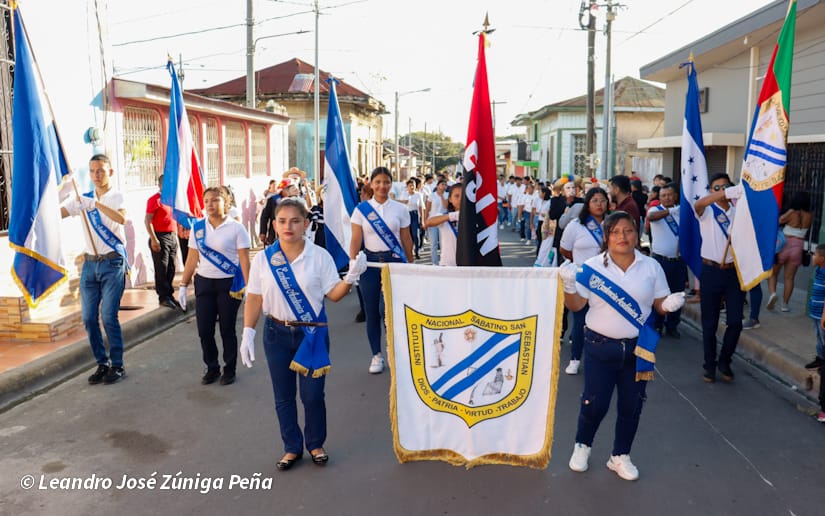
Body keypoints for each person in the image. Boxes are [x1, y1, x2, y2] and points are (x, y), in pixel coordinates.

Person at [240, 199, 367, 470]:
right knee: (283, 395)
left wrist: (351, 278)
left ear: (306, 224)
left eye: (295, 221)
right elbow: (254, 297)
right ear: (273, 224)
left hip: (312, 334)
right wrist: (248, 331)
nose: (288, 226)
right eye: (282, 221)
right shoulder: (264, 259)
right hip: (276, 332)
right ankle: (291, 447)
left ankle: (315, 443)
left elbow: (333, 295)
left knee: (312, 395)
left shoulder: (319, 256)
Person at [560, 211, 684, 481]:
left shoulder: (651, 266)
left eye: (628, 231)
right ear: (606, 237)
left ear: (637, 234)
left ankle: (620, 456)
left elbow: (659, 303)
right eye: (615, 232)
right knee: (595, 404)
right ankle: (583, 445)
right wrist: (569, 287)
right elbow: (577, 306)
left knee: (632, 406)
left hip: (639, 350)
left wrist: (669, 305)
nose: (622, 237)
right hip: (599, 346)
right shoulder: (592, 267)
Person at [61, 154, 128, 384]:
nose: (96, 175)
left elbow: (121, 219)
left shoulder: (116, 195)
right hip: (90, 265)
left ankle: (117, 365)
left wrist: (95, 205)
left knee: (108, 316)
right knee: (89, 318)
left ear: (110, 172)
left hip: (112, 263)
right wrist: (63, 192)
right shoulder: (83, 197)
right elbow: (55, 214)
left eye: (100, 170)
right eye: (92, 171)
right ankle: (102, 363)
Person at [178, 186, 251, 386]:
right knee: (204, 330)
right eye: (207, 200)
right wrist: (183, 284)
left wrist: (250, 287)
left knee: (227, 329)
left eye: (215, 200)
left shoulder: (237, 228)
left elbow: (244, 259)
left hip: (229, 283)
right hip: (204, 283)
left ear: (225, 202)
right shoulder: (198, 227)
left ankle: (229, 368)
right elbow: (192, 257)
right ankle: (212, 367)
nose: (210, 204)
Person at [350, 167, 413, 373]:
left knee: (386, 310)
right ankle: (376, 355)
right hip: (370, 264)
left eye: (386, 182)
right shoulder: (361, 210)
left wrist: (411, 265)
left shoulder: (400, 209)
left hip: (393, 262)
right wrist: (353, 263)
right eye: (377, 182)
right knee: (371, 311)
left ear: (391, 184)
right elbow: (356, 238)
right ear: (371, 184)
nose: (382, 186)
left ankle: (394, 352)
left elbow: (406, 239)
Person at [694, 173, 743, 383]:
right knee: (709, 323)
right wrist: (723, 193)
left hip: (734, 272)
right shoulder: (707, 212)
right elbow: (699, 203)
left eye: (726, 187)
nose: (721, 191)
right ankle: (709, 365)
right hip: (711, 270)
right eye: (716, 188)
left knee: (735, 321)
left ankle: (725, 360)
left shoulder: (738, 212)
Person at [559, 187, 609, 375]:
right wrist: (581, 264)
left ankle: (600, 359)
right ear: (588, 203)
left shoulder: (612, 223)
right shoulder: (576, 225)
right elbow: (565, 250)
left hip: (607, 280)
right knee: (580, 321)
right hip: (582, 279)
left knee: (604, 321)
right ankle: (575, 359)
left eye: (603, 200)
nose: (599, 204)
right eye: (595, 200)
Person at [646, 183, 687, 338]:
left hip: (678, 260)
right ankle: (657, 324)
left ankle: (673, 325)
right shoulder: (655, 210)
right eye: (663, 196)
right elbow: (651, 218)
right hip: (660, 261)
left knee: (678, 293)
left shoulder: (682, 211)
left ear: (675, 196)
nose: (667, 198)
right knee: (660, 294)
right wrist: (669, 211)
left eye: (669, 195)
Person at [767, 192, 813, 312]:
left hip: (785, 243)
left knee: (773, 273)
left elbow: (778, 221)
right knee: (790, 278)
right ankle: (785, 305)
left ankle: (772, 294)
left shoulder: (792, 212)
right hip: (798, 246)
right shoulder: (810, 215)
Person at [144, 174, 180, 311]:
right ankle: (163, 297)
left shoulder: (171, 200)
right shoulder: (155, 200)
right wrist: (154, 239)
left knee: (171, 267)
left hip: (172, 235)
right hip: (160, 236)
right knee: (161, 268)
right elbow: (148, 220)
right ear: (160, 185)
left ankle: (169, 295)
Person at [426, 184, 462, 267]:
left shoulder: (472, 217)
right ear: (450, 199)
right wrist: (453, 216)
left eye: (463, 196)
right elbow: (429, 222)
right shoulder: (444, 217)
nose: (460, 199)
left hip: (467, 265)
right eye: (456, 196)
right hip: (447, 265)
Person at [806, 244, 825, 372]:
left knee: (824, 339)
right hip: (815, 312)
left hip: (822, 314)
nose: (813, 256)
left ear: (822, 258)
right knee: (819, 337)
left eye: (815, 254)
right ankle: (820, 359)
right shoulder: (818, 269)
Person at [399, 179, 424, 260]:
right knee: (407, 234)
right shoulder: (404, 194)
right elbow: (399, 204)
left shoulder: (418, 195)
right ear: (407, 187)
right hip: (406, 215)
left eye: (413, 185)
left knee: (415, 234)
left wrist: (422, 219)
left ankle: (417, 251)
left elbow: (421, 207)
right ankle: (409, 251)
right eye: (410, 185)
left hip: (414, 215)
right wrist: (404, 202)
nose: (412, 187)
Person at [425, 179, 447, 265]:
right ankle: (435, 263)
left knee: (443, 244)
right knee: (434, 244)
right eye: (442, 184)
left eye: (445, 184)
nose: (444, 186)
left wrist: (442, 196)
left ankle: (443, 261)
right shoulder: (432, 196)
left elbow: (445, 206)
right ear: (437, 186)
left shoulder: (447, 195)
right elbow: (427, 209)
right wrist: (425, 221)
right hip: (433, 222)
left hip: (443, 222)